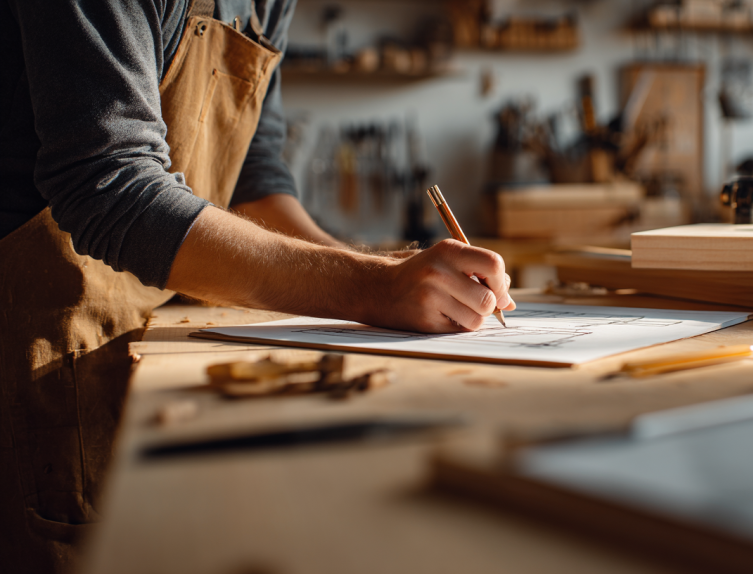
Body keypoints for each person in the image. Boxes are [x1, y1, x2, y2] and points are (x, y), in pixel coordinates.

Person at [0, 1, 514, 571]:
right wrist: (369, 285)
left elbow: (253, 178)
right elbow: (108, 183)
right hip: (41, 340)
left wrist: (383, 274)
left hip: (155, 329)